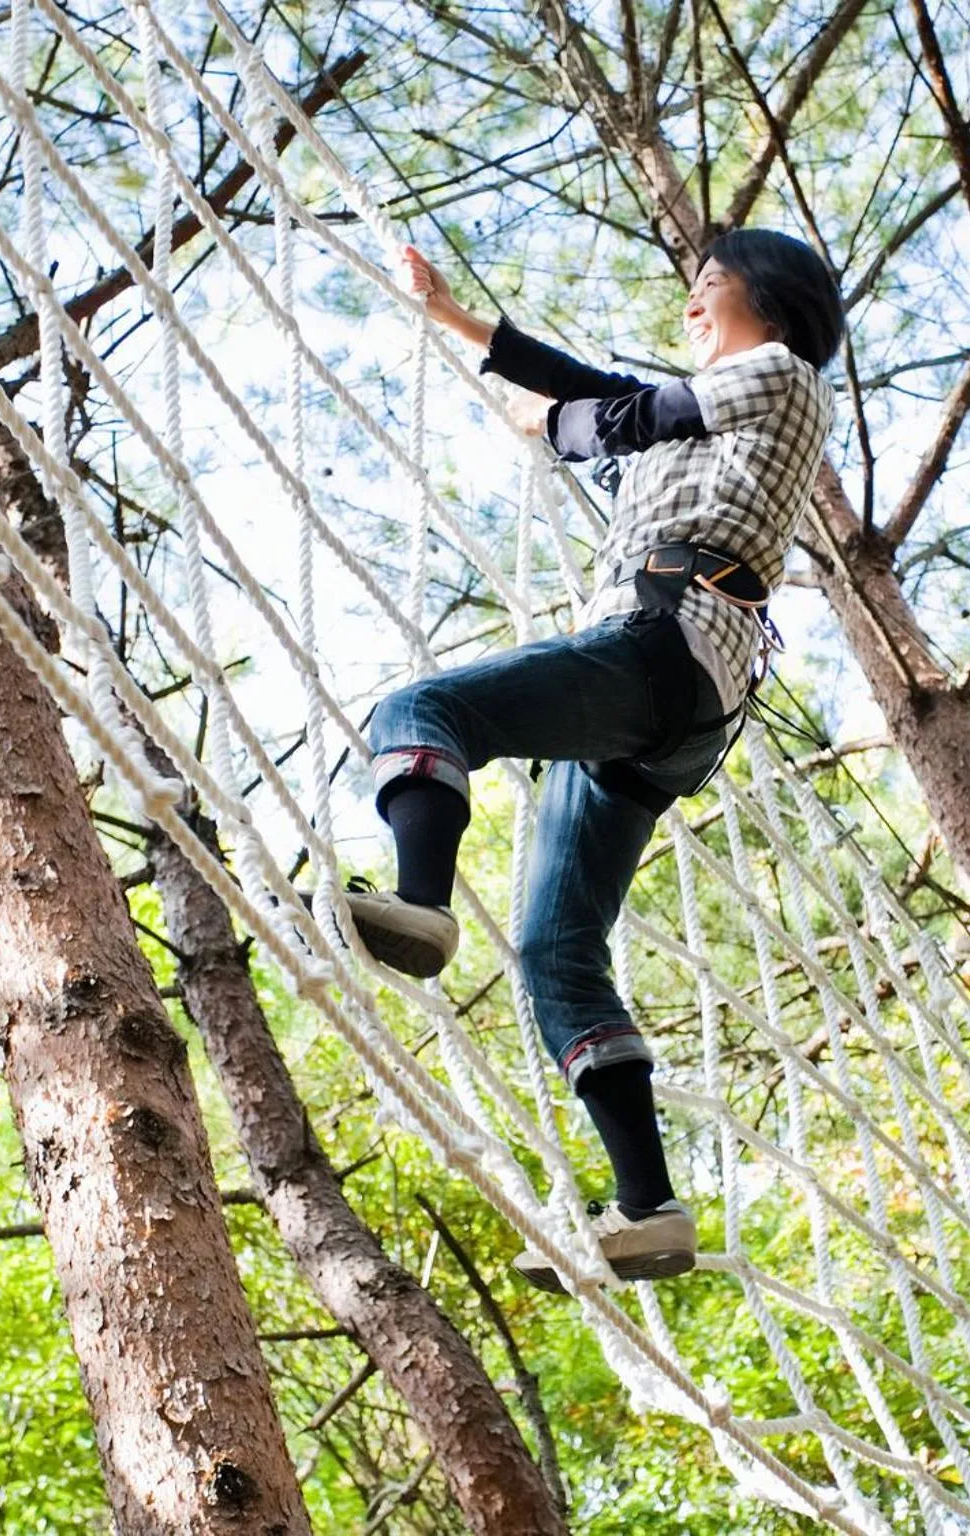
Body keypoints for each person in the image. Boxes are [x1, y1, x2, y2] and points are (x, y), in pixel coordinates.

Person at [347, 231, 843, 1291]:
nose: (693, 303)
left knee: (419, 707)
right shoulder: (709, 431)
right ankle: (648, 1208)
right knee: (556, 952)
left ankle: (421, 900)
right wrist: (456, 321)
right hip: (667, 710)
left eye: (710, 284)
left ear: (774, 298)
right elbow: (605, 391)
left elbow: (628, 412)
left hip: (663, 647)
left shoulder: (784, 376)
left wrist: (555, 428)